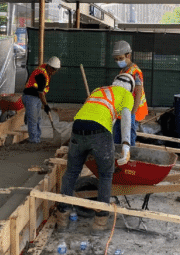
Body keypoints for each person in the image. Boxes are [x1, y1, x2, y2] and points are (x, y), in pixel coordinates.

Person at [55, 73, 135, 234]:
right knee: (105, 175)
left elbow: (97, 114)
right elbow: (126, 118)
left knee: (71, 172)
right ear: (130, 88)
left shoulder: (100, 90)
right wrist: (126, 145)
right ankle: (99, 223)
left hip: (77, 128)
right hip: (100, 132)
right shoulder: (126, 94)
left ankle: (62, 220)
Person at [112, 40, 148, 146]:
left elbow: (138, 92)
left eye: (120, 58)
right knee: (118, 132)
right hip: (124, 108)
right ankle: (118, 151)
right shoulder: (123, 70)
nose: (118, 61)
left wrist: (132, 113)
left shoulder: (135, 72)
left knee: (129, 135)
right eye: (116, 59)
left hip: (133, 109)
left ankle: (129, 153)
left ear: (128, 55)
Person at [22, 56, 60, 143]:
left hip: (36, 97)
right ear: (49, 67)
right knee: (33, 119)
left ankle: (37, 138)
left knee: (38, 118)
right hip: (30, 97)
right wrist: (46, 105)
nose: (54, 72)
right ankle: (33, 140)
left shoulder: (46, 70)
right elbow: (41, 93)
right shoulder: (41, 75)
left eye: (56, 70)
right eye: (54, 70)